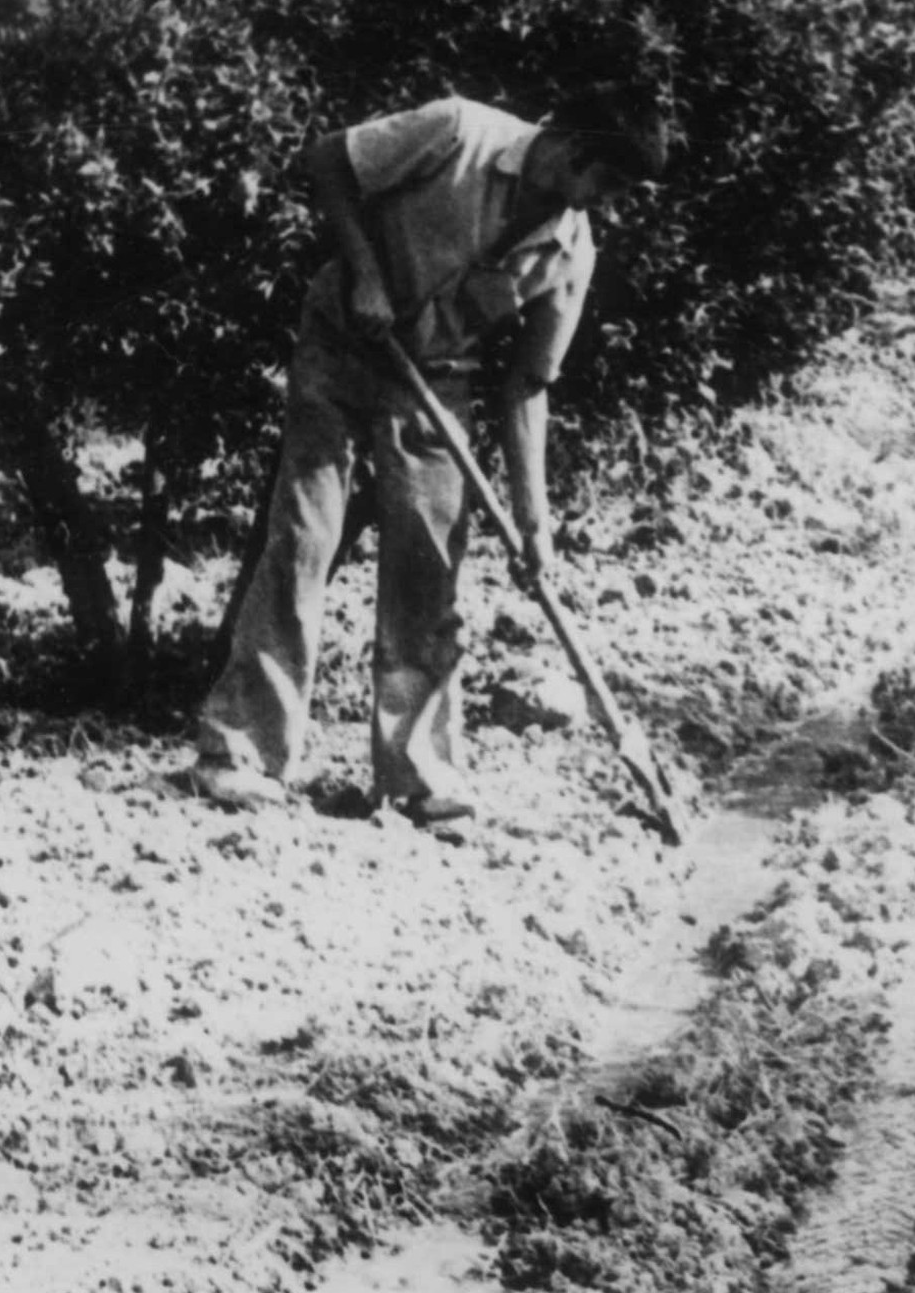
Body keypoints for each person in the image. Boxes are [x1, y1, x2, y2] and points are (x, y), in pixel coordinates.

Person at [190, 82, 678, 824]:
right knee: (302, 540)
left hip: (434, 386)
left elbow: (526, 386)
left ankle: (418, 781)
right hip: (343, 349)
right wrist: (365, 273)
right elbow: (327, 160)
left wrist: (534, 521)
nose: (602, 203)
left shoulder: (568, 251)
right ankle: (239, 753)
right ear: (577, 150)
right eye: (606, 184)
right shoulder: (457, 131)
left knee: (431, 569)